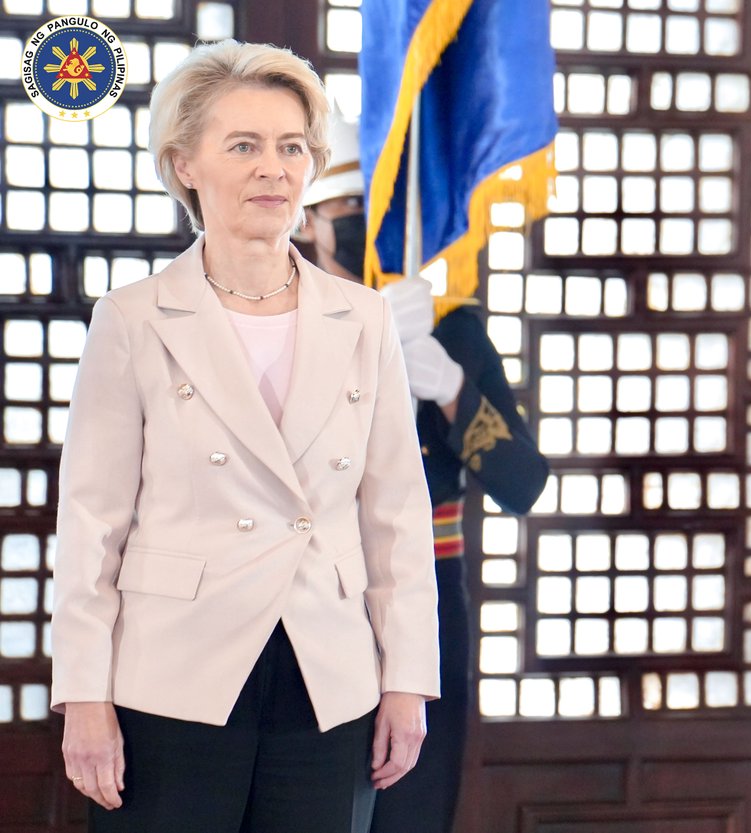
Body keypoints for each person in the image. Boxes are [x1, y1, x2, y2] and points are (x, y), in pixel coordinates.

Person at [51, 40, 439, 833]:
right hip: (173, 676)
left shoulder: (362, 317)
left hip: (328, 676)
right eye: (244, 146)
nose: (275, 168)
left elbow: (396, 513)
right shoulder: (132, 318)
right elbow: (92, 524)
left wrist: (407, 678)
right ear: (185, 163)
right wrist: (84, 695)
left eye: (292, 147)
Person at [297, 112, 550, 833]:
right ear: (308, 223)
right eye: (346, 210)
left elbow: (523, 480)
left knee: (413, 804)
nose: (361, 226)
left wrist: (446, 386)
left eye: (375, 211)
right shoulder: (285, 326)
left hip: (431, 588)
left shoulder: (454, 328)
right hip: (315, 586)